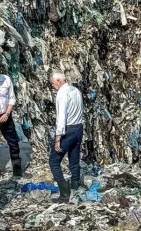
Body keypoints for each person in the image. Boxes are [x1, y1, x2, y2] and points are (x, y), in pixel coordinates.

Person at [48, 70, 84, 203]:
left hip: (67, 131)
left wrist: (58, 138)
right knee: (74, 160)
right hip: (78, 128)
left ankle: (64, 193)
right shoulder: (75, 90)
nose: (53, 86)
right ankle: (75, 187)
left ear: (58, 81)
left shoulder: (61, 94)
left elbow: (61, 117)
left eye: (53, 83)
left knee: (54, 161)